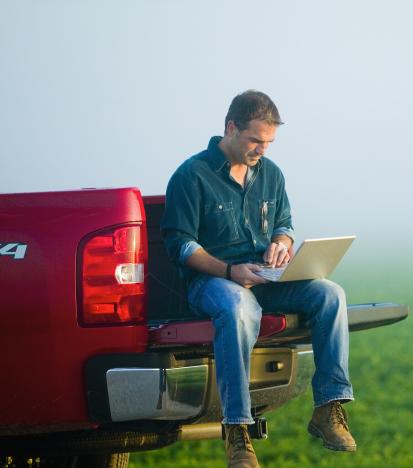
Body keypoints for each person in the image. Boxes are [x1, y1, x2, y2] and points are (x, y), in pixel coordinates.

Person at [161, 90, 355, 468]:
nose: (262, 150)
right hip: (215, 282)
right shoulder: (191, 175)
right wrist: (231, 271)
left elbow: (284, 224)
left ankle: (328, 408)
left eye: (269, 142)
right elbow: (180, 245)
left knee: (330, 294)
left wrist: (282, 244)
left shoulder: (272, 174)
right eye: (255, 140)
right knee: (238, 308)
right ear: (231, 128)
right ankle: (237, 431)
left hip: (266, 277)